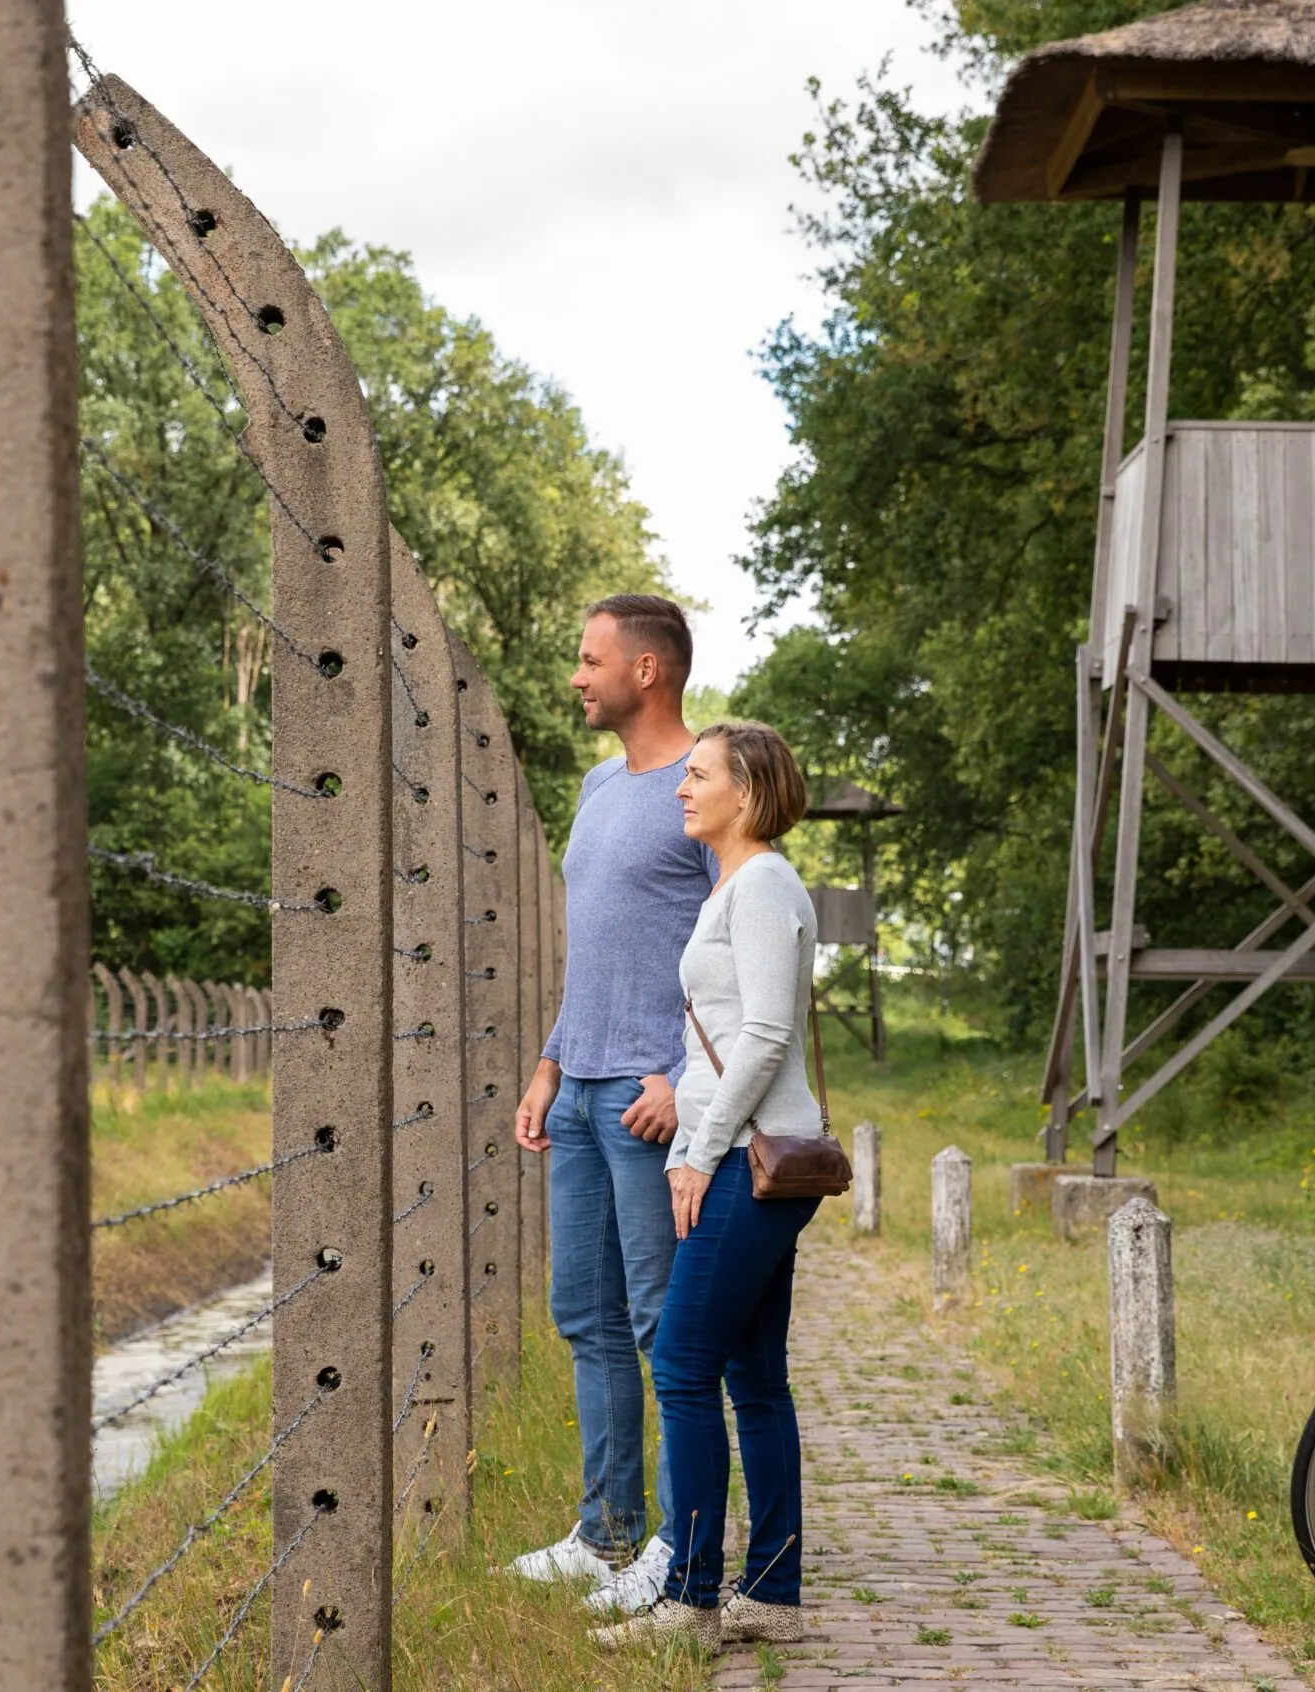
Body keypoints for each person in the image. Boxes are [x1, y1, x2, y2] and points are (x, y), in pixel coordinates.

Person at [593, 720, 824, 1654]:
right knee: (753, 1379)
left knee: (684, 1364)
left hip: (745, 1163)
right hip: (732, 1156)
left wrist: (698, 1151)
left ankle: (689, 1602)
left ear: (748, 791)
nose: (682, 789)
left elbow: (767, 1036)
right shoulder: (731, 884)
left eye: (698, 777)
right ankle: (770, 1595)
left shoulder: (765, 883)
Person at [510, 593, 715, 1614]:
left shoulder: (708, 784)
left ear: (647, 670)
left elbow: (743, 947)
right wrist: (550, 1061)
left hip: (648, 1106)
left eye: (591, 662)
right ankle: (605, 1538)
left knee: (659, 1330)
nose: (577, 678)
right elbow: (595, 948)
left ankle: (680, 1555)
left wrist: (683, 1077)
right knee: (584, 1319)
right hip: (579, 1091)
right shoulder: (596, 783)